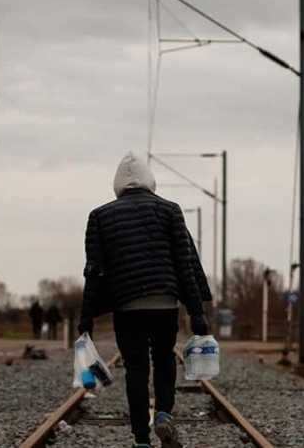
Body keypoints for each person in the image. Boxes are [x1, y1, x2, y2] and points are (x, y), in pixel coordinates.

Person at [77, 151, 211, 448]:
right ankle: (163, 414)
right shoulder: (170, 211)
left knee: (136, 370)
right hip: (165, 303)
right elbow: (185, 264)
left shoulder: (100, 216)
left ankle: (141, 438)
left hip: (127, 307)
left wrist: (85, 316)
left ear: (118, 184)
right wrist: (196, 311)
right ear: (151, 181)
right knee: (164, 361)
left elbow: (94, 272)